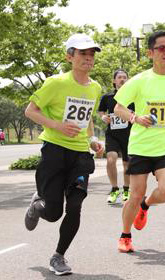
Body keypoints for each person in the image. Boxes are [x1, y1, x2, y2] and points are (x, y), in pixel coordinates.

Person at [24, 33, 104, 276]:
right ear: (70, 56)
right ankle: (39, 205)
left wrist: (92, 139)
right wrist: (57, 125)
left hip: (80, 155)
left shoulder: (96, 87)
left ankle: (58, 256)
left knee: (76, 205)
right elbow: (30, 111)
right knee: (53, 213)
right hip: (55, 151)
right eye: (82, 53)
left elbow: (88, 118)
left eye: (91, 54)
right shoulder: (55, 83)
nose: (88, 58)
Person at [113, 31, 165, 253]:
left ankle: (146, 206)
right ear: (150, 53)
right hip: (141, 146)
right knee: (135, 194)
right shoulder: (138, 81)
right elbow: (118, 108)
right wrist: (136, 118)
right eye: (161, 48)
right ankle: (125, 235)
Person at [98, 69, 134, 203]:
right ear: (114, 81)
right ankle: (114, 189)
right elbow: (101, 111)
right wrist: (103, 118)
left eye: (125, 77)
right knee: (111, 159)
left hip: (129, 134)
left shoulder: (133, 97)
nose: (122, 79)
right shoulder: (107, 97)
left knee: (127, 163)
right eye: (119, 77)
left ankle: (126, 189)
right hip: (112, 134)